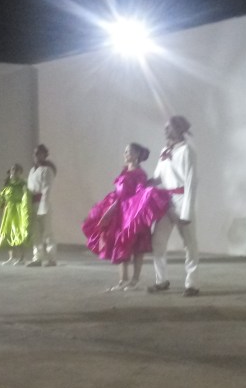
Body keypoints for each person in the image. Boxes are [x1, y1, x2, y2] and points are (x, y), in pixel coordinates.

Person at [82, 143, 171, 290]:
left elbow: (140, 194)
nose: (125, 154)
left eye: (128, 152)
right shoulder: (125, 171)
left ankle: (135, 280)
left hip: (133, 214)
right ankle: (123, 280)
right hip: (121, 213)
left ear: (136, 155)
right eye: (125, 151)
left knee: (137, 247)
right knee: (120, 244)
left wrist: (138, 206)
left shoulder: (140, 174)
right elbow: (119, 193)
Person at [147, 116, 199, 297]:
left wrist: (186, 212)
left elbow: (191, 182)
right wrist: (143, 183)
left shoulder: (187, 150)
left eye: (168, 127)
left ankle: (192, 284)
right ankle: (161, 280)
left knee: (189, 243)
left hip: (182, 200)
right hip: (166, 202)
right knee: (158, 241)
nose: (165, 130)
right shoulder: (165, 151)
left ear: (179, 128)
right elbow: (158, 177)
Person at [26, 144, 57, 267]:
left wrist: (43, 207)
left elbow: (46, 189)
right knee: (36, 233)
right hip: (32, 204)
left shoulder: (47, 170)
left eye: (39, 153)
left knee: (47, 232)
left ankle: (51, 258)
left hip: (43, 204)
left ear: (44, 155)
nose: (36, 155)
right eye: (35, 153)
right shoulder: (32, 171)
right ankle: (37, 257)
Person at [0, 163, 31, 265]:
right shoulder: (7, 184)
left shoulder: (23, 184)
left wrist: (25, 210)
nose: (14, 172)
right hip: (9, 211)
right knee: (8, 233)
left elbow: (26, 196)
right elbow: (2, 197)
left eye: (16, 170)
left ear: (20, 172)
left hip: (19, 211)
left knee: (19, 233)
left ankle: (22, 257)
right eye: (13, 170)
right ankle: (12, 257)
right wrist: (2, 207)